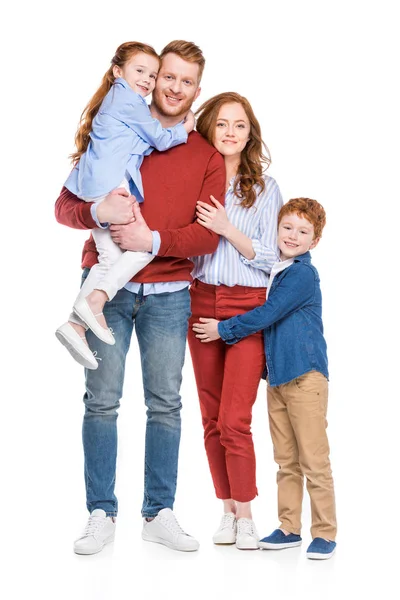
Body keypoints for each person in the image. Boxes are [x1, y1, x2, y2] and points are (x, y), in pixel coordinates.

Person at [54, 40, 226, 554]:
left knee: (166, 405)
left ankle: (159, 512)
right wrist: (98, 214)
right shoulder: (123, 123)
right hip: (110, 288)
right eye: (165, 76)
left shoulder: (204, 153)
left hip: (170, 297)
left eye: (185, 81)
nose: (171, 87)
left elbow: (207, 237)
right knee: (101, 402)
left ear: (198, 90)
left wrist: (150, 241)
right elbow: (65, 205)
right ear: (150, 79)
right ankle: (100, 513)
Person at [192, 198, 337, 560]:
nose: (293, 235)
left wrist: (224, 329)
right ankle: (289, 528)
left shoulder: (302, 274)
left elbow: (268, 313)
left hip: (305, 376)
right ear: (276, 230)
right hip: (278, 380)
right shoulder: (279, 270)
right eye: (287, 227)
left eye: (303, 231)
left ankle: (325, 533)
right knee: (286, 459)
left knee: (313, 459)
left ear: (314, 241)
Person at [55, 41, 195, 370]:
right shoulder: (127, 100)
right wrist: (185, 128)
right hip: (108, 188)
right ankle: (94, 302)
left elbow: (140, 145)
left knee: (110, 259)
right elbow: (159, 139)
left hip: (97, 187)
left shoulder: (119, 103)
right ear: (118, 71)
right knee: (142, 249)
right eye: (140, 71)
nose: (147, 79)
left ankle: (76, 324)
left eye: (152, 74)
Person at [187, 92, 283, 550]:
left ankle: (247, 515)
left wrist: (228, 228)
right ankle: (225, 510)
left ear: (250, 133)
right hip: (200, 301)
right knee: (209, 417)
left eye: (239, 125)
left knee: (234, 419)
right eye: (221, 123)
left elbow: (272, 259)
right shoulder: (193, 182)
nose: (229, 132)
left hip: (246, 307)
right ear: (208, 129)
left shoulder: (266, 188)